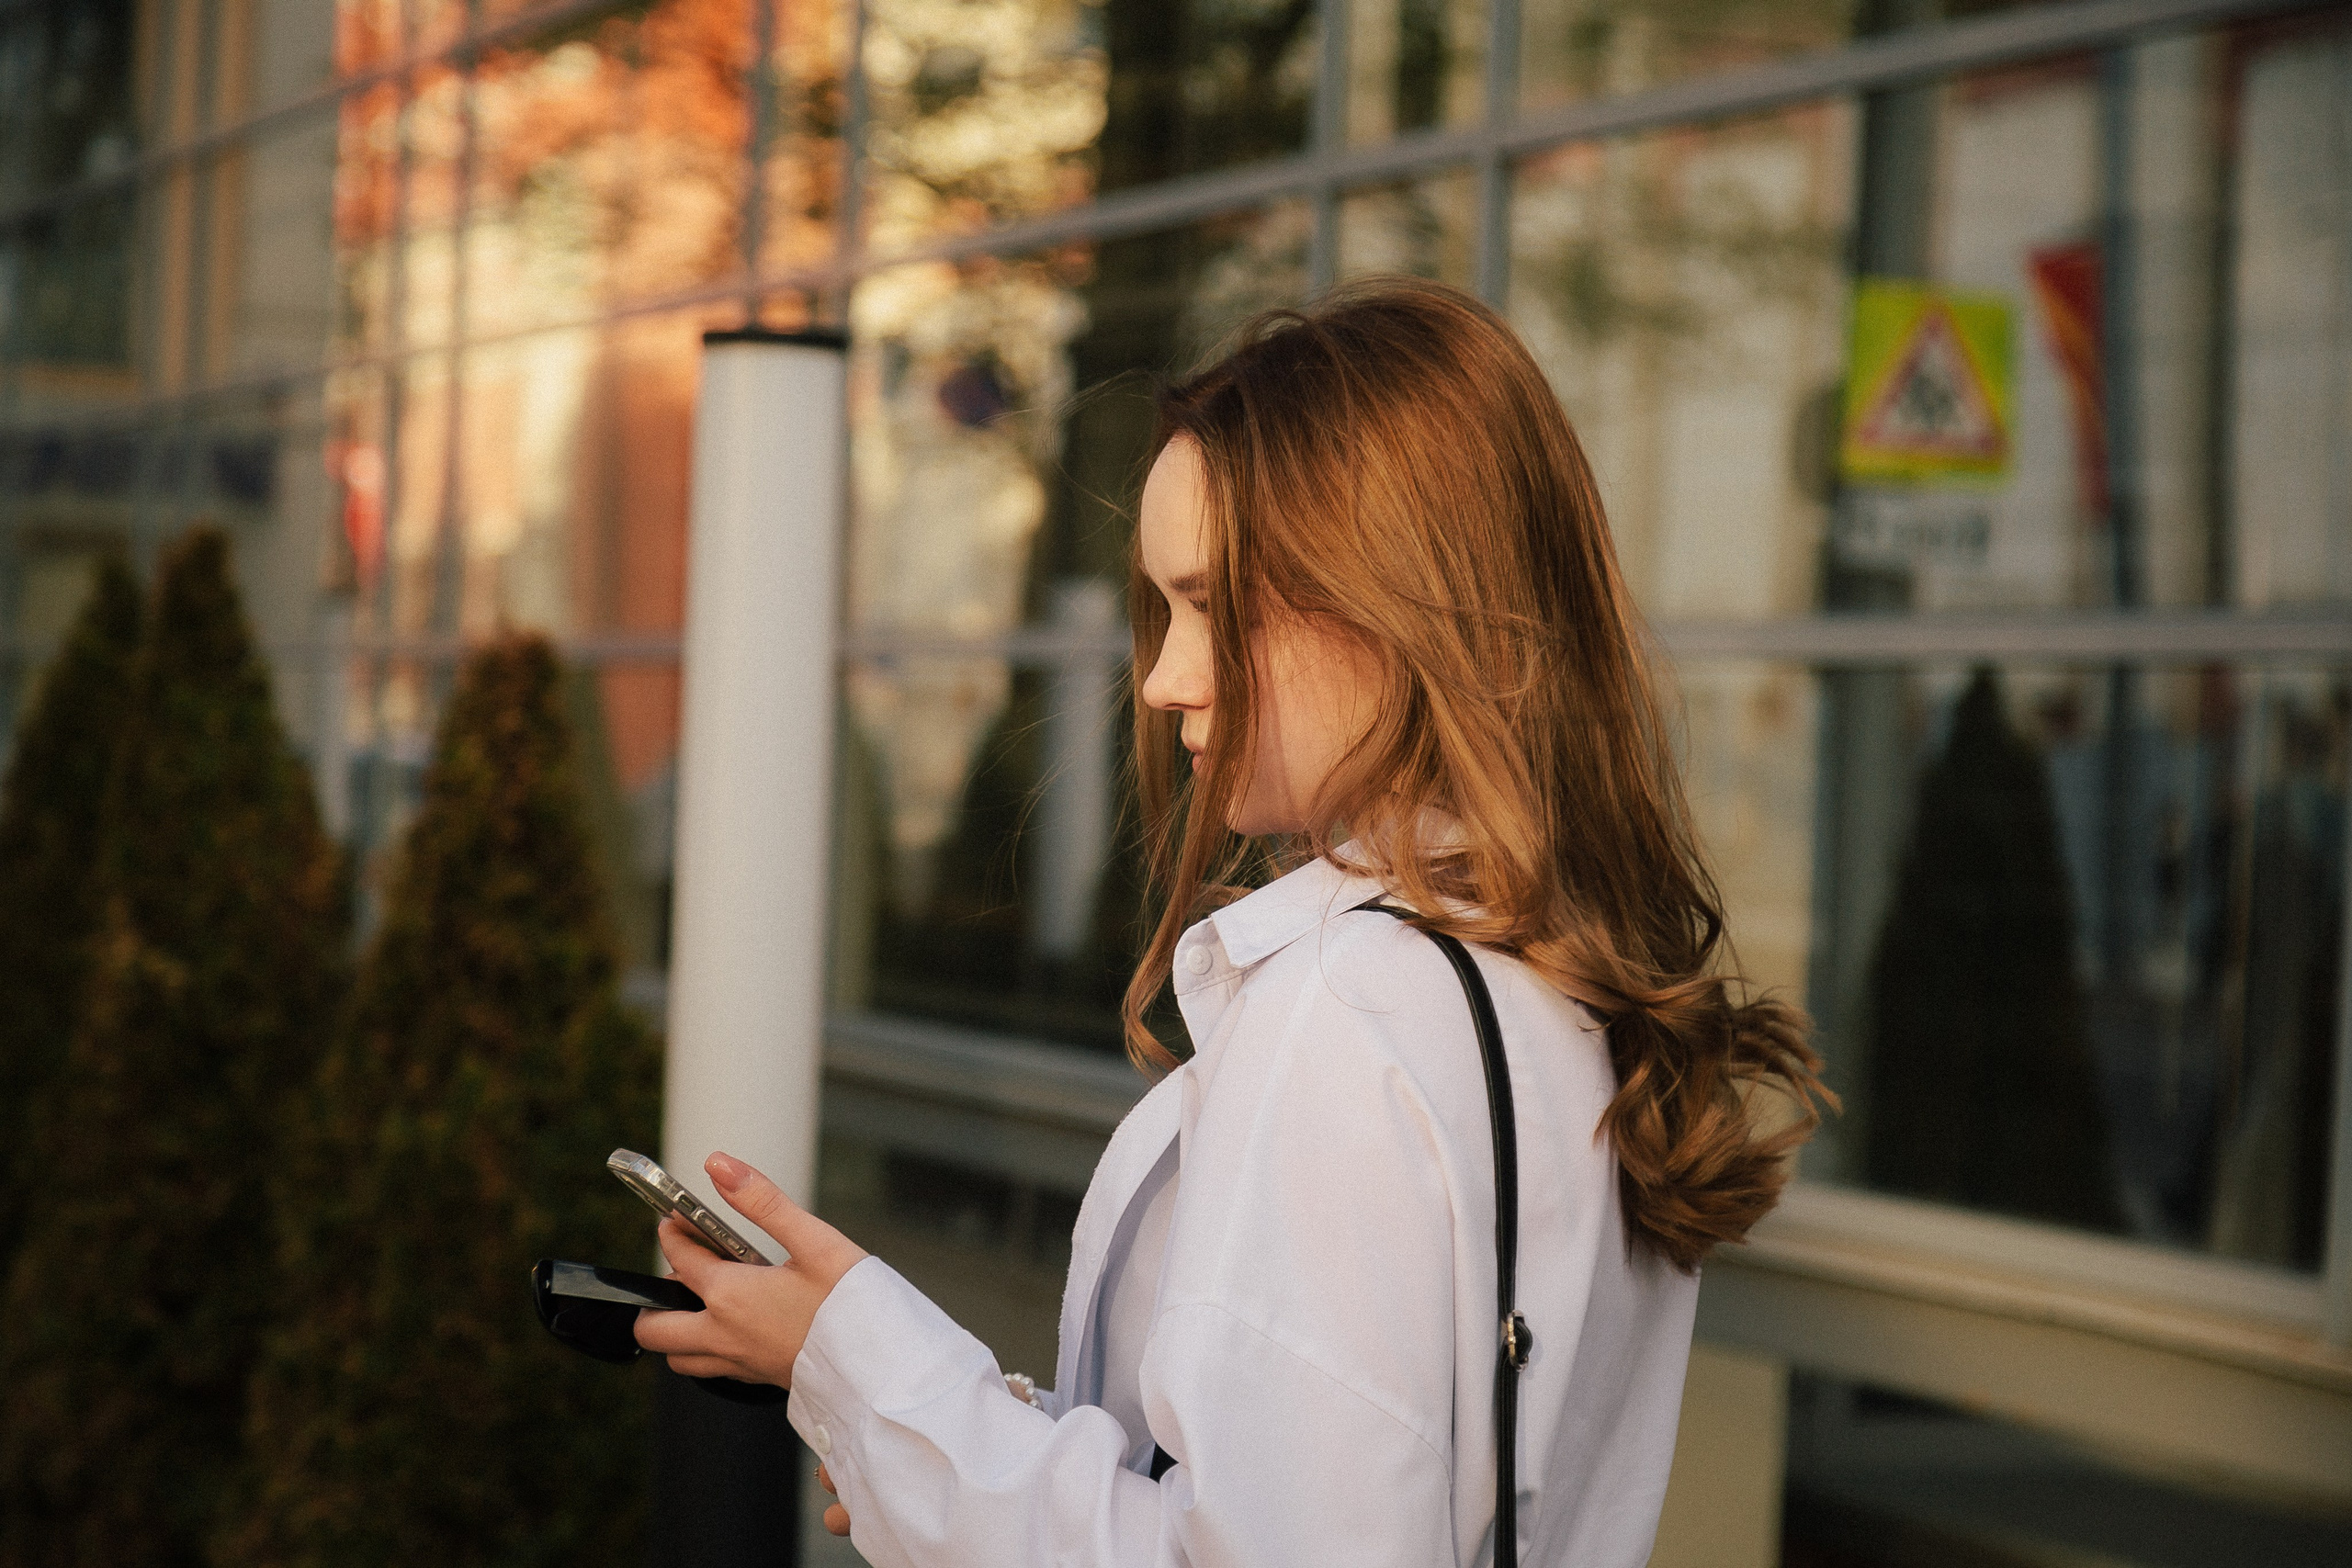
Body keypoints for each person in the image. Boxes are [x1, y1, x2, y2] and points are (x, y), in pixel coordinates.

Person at [635, 277, 1829, 1567]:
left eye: (1219, 604)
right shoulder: (1555, 983)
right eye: (1166, 609)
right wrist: (915, 1401)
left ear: (1399, 601)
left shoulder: (1353, 1011)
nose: (1164, 680)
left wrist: (865, 1378)